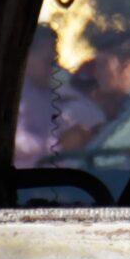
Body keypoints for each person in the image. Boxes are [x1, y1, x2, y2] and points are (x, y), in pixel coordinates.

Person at [14, 28, 104, 166]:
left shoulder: (49, 92)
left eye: (54, 62)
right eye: (47, 61)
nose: (52, 69)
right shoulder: (13, 95)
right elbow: (16, 144)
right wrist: (58, 145)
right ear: (28, 57)